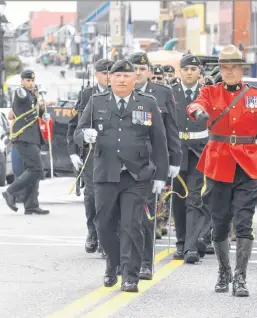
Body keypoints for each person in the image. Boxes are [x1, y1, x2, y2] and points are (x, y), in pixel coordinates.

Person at [187, 44, 257, 297]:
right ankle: (223, 271)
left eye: (233, 67)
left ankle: (240, 277)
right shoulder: (210, 91)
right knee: (220, 224)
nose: (228, 72)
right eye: (224, 68)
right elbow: (195, 105)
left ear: (241, 69)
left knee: (244, 222)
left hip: (248, 167)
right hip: (218, 166)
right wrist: (198, 112)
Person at [74, 60, 169, 293]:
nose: (122, 79)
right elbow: (77, 132)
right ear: (110, 79)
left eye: (127, 76)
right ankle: (113, 263)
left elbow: (160, 141)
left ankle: (130, 276)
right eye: (117, 76)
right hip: (106, 172)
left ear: (134, 78)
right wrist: (85, 136)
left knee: (131, 226)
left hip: (136, 175)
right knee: (103, 224)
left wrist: (161, 176)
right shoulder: (96, 102)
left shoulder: (147, 102)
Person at [128, 52, 181, 280]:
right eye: (134, 70)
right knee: (124, 218)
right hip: (123, 163)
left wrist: (173, 160)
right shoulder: (118, 93)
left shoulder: (162, 93)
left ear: (149, 72)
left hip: (149, 164)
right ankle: (124, 261)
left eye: (142, 69)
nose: (138, 74)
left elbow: (171, 129)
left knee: (145, 216)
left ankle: (145, 264)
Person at [67, 58, 114, 255]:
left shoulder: (121, 92)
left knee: (109, 197)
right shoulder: (87, 94)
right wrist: (73, 151)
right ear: (97, 74)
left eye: (112, 72)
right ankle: (93, 232)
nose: (109, 77)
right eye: (105, 73)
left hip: (113, 153)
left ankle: (106, 239)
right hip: (91, 153)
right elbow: (74, 125)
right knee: (92, 196)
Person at [170, 54, 210, 263]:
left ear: (199, 73)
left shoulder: (206, 94)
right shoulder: (171, 93)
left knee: (194, 198)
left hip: (199, 151)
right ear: (180, 72)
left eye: (193, 70)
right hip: (177, 152)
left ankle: (190, 247)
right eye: (185, 69)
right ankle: (181, 241)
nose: (189, 73)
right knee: (178, 198)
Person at [2, 69, 50, 215]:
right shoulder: (20, 92)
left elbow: (36, 111)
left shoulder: (33, 95)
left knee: (33, 171)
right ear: (22, 81)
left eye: (32, 81)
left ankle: (31, 204)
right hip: (23, 137)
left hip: (33, 138)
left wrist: (44, 113)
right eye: (28, 80)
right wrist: (32, 94)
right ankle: (10, 192)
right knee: (36, 169)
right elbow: (21, 97)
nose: (30, 83)